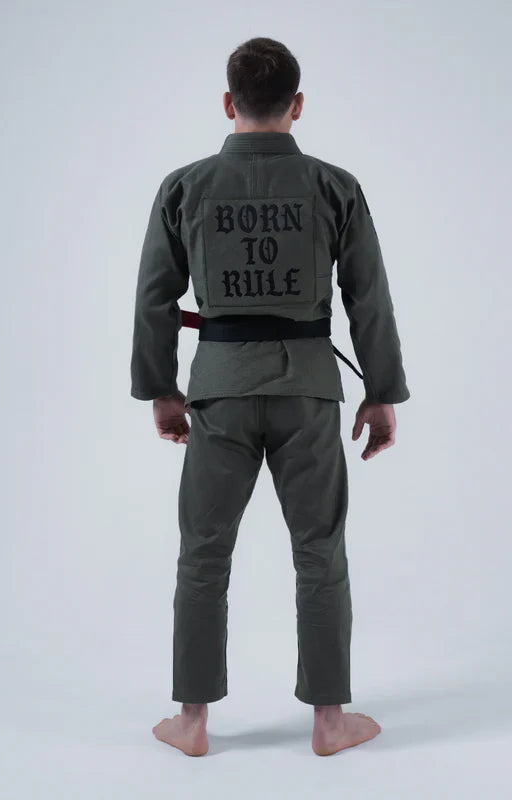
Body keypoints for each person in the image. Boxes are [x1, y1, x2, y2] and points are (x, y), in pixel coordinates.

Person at [129, 36, 410, 757]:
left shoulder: (184, 187)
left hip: (218, 390)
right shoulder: (334, 186)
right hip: (307, 390)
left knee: (204, 552)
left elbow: (155, 299)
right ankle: (330, 721)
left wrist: (161, 390)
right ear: (298, 104)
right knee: (320, 551)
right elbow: (368, 297)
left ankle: (192, 721)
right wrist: (382, 392)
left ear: (229, 103)